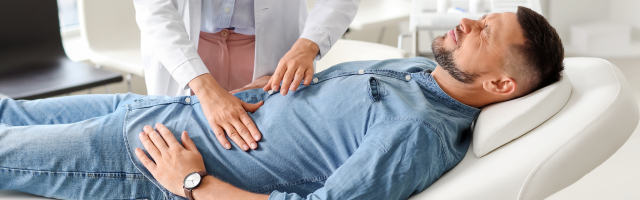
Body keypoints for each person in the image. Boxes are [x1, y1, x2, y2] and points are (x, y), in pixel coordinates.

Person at [0, 7, 563, 200]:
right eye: (481, 17)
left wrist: (195, 185)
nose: (465, 22)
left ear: (500, 87)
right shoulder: (421, 71)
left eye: (483, 33)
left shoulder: (416, 133)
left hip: (147, 158)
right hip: (160, 110)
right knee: (8, 112)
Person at [134, 0, 360, 152]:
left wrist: (308, 46)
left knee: (265, 153)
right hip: (188, 50)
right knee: (177, 153)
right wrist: (206, 90)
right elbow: (154, 8)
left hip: (270, 50)